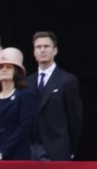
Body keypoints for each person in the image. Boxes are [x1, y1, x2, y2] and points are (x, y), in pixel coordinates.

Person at [26, 31, 82, 161]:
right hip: (30, 148)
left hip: (56, 149)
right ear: (34, 52)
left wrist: (71, 149)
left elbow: (75, 119)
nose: (42, 50)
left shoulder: (67, 80)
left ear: (55, 50)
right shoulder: (28, 81)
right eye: (38, 47)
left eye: (46, 46)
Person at [0, 47, 36, 162]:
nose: (4, 70)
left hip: (17, 157)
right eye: (1, 67)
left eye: (9, 67)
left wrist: (2, 152)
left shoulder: (25, 94)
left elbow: (24, 127)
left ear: (17, 71)